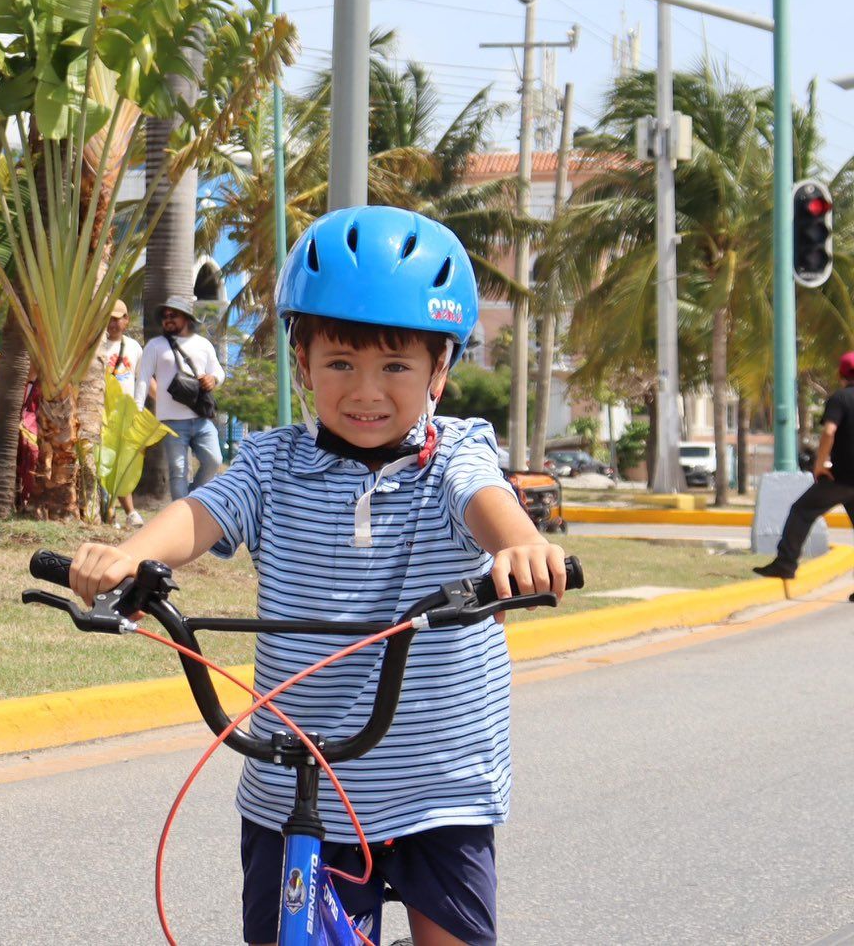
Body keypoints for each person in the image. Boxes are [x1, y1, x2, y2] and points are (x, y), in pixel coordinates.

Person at [68, 207, 568, 946]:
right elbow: (206, 510)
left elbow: (484, 499)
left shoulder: (457, 453)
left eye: (395, 366)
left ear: (440, 369)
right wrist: (132, 554)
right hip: (295, 780)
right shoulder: (273, 463)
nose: (366, 391)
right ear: (302, 363)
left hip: (437, 780)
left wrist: (520, 546)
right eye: (340, 364)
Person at [755, 351, 854, 580]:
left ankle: (785, 563)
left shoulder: (840, 399)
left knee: (802, 511)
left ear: (841, 374)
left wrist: (820, 464)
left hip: (840, 479)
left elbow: (829, 432)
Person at [139, 294, 224, 501]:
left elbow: (219, 372)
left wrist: (212, 379)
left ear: (186, 318)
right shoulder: (155, 345)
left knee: (214, 460)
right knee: (178, 471)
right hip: (171, 422)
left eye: (173, 315)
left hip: (201, 418)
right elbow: (142, 379)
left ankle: (191, 499)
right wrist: (137, 408)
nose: (168, 319)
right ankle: (183, 510)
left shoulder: (203, 344)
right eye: (165, 316)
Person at [99, 299, 146, 527]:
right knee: (103, 463)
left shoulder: (134, 348)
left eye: (117, 319)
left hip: (126, 416)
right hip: (99, 414)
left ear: (126, 320)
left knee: (122, 464)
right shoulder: (96, 346)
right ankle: (110, 513)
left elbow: (143, 380)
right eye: (109, 319)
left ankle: (129, 512)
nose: (113, 323)